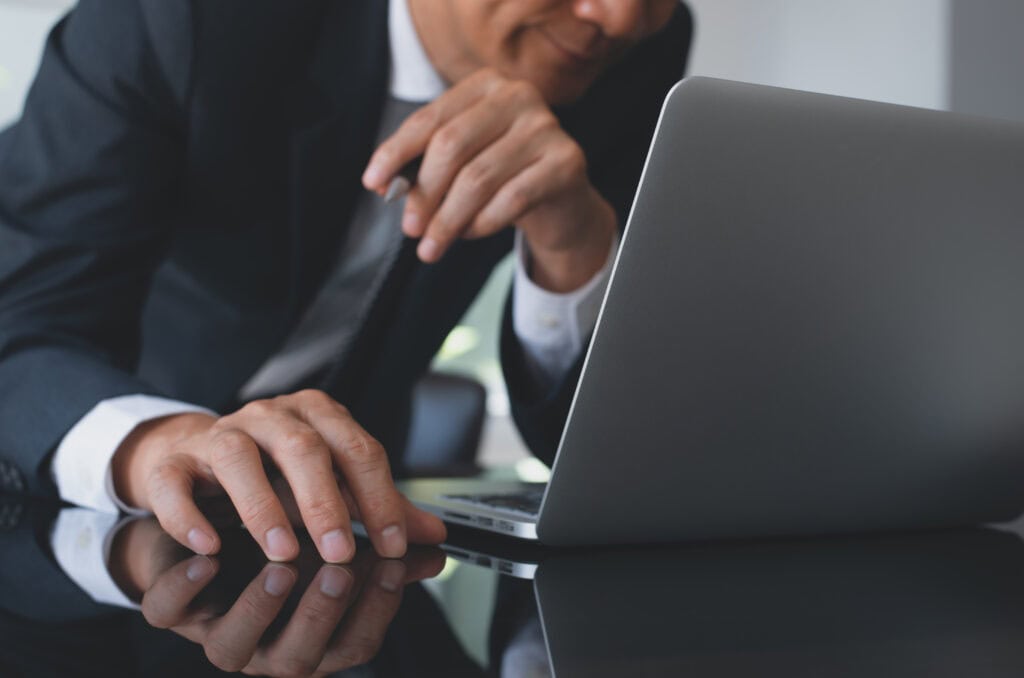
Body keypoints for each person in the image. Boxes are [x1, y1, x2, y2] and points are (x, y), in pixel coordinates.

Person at [0, 0, 692, 564]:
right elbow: (23, 322)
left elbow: (591, 452)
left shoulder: (634, 63)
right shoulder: (181, 15)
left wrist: (574, 246)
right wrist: (157, 439)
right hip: (106, 527)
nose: (621, 17)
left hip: (357, 530)